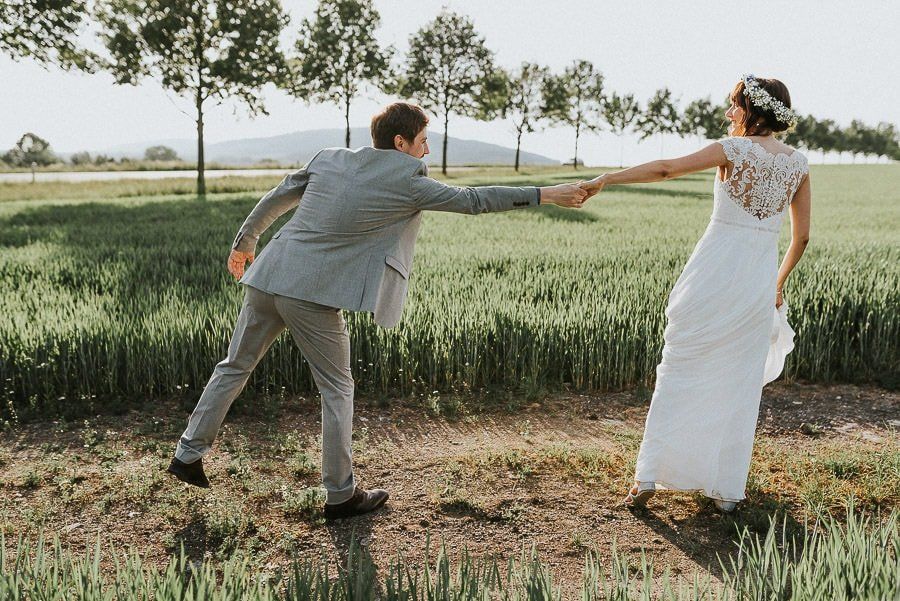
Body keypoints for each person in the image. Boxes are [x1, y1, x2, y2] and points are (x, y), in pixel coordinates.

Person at [166, 102, 589, 519]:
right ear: (400, 142)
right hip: (310, 295)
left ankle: (188, 453)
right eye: (423, 142)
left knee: (233, 366)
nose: (426, 152)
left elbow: (276, 199)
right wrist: (547, 194)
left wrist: (245, 242)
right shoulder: (408, 182)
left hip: (268, 276)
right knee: (337, 388)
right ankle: (340, 495)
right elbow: (474, 200)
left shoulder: (329, 158)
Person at [580, 75, 811, 512]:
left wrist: (608, 178)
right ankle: (725, 491)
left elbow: (666, 168)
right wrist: (776, 285)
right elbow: (802, 239)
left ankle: (648, 477)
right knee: (739, 380)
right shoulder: (798, 165)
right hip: (755, 280)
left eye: (734, 106)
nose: (729, 114)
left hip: (711, 272)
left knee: (681, 367)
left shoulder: (731, 150)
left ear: (753, 112)